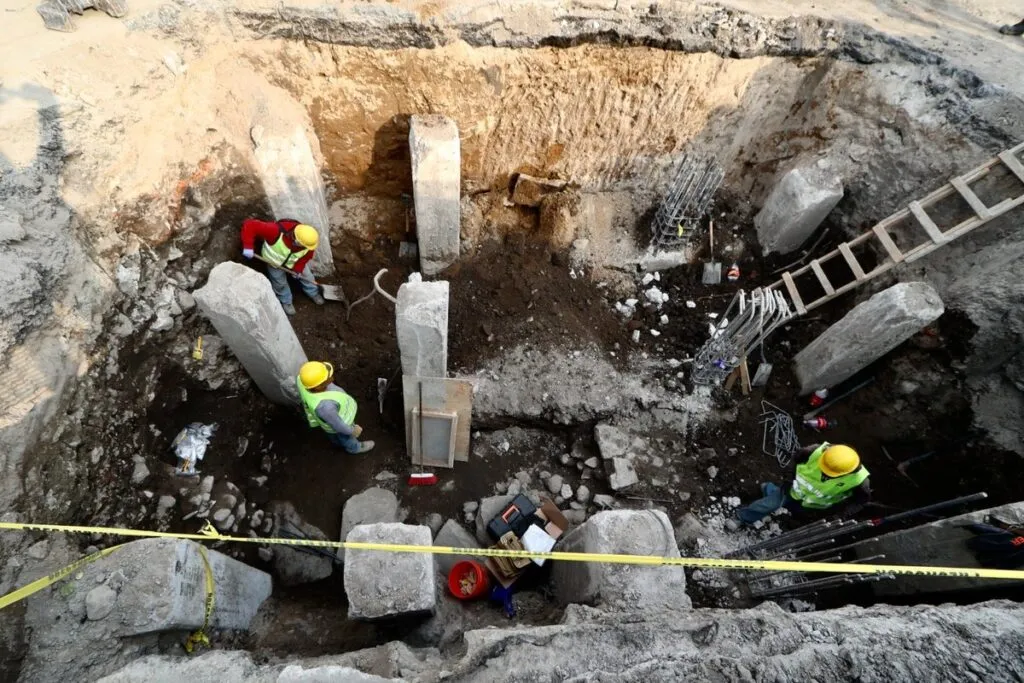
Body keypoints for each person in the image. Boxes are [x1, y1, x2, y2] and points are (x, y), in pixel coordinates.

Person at [732, 443, 871, 526]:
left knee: (794, 510)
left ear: (846, 472)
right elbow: (795, 459)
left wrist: (841, 516)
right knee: (768, 505)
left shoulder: (860, 482)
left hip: (812, 504)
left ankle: (769, 488)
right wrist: (788, 478)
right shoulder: (818, 450)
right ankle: (742, 517)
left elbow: (859, 502)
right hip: (793, 488)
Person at [241, 218, 323, 315]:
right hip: (274, 263)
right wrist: (248, 246)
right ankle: (286, 301)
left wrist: (298, 269)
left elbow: (305, 257)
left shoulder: (307, 243)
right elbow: (250, 225)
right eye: (303, 246)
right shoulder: (275, 231)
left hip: (294, 262)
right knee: (279, 283)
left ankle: (313, 292)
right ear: (296, 241)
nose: (306, 248)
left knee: (307, 276)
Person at [296, 361, 374, 454]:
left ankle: (337, 443)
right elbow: (339, 426)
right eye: (327, 378)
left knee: (333, 436)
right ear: (318, 387)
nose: (332, 378)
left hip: (328, 425)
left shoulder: (301, 380)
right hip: (338, 427)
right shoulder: (325, 407)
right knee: (345, 437)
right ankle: (354, 448)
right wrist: (352, 431)